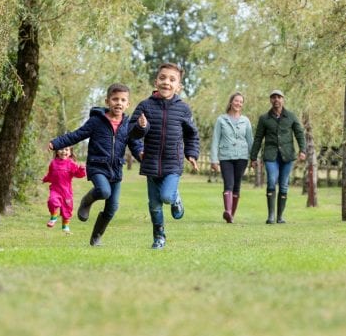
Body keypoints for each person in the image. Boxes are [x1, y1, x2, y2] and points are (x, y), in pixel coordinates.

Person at [48, 83, 143, 246]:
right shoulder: (96, 121)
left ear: (128, 104)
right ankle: (86, 201)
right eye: (115, 99)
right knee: (104, 191)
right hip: (97, 166)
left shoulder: (128, 125)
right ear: (107, 101)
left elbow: (135, 145)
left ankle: (96, 237)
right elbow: (77, 135)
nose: (118, 103)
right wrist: (56, 143)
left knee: (112, 208)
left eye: (123, 100)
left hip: (116, 171)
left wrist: (142, 155)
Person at [130, 62, 200, 249]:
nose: (166, 82)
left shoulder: (183, 109)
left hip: (173, 162)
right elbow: (131, 133)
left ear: (179, 86)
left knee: (167, 196)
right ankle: (159, 237)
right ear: (156, 81)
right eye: (162, 78)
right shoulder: (144, 106)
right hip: (151, 161)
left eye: (172, 79)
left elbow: (191, 134)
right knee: (154, 204)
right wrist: (140, 129)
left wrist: (192, 153)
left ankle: (175, 198)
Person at [249, 89, 306, 224]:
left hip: (287, 156)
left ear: (283, 99)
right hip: (270, 155)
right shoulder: (264, 119)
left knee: (284, 185)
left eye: (279, 97)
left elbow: (299, 134)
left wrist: (302, 150)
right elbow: (258, 138)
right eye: (274, 97)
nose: (276, 100)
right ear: (270, 100)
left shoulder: (291, 116)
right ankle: (271, 216)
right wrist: (253, 157)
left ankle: (280, 217)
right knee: (271, 180)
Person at [210, 92, 253, 223]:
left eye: (241, 102)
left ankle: (231, 216)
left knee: (237, 185)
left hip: (242, 157)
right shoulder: (221, 120)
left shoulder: (245, 121)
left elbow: (250, 140)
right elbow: (215, 140)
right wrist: (214, 159)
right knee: (228, 183)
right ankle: (228, 211)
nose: (238, 103)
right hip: (226, 157)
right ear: (231, 102)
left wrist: (254, 159)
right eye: (236, 101)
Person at [42, 146, 86, 234]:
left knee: (67, 210)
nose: (63, 151)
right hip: (55, 190)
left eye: (66, 149)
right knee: (52, 201)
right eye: (61, 149)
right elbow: (51, 175)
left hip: (66, 192)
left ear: (70, 152)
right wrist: (45, 179)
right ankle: (53, 218)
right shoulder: (53, 163)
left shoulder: (71, 163)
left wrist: (81, 169)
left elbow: (78, 174)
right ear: (57, 151)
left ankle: (65, 227)